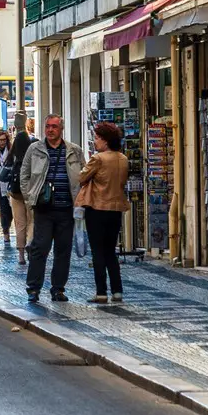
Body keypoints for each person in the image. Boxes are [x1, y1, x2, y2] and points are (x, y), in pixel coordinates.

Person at [17, 115, 87, 305]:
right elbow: (24, 175)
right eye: (47, 126)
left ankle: (58, 289)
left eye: (54, 126)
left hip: (67, 209)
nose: (50, 130)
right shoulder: (35, 149)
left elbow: (84, 177)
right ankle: (33, 288)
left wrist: (79, 201)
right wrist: (29, 196)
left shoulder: (74, 151)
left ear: (61, 128)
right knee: (40, 249)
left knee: (63, 251)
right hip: (44, 209)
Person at [78, 121, 130, 303]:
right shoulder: (123, 159)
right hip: (116, 209)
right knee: (110, 250)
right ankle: (117, 291)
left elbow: (82, 177)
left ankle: (101, 292)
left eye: (98, 138)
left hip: (97, 208)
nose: (95, 141)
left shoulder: (98, 158)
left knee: (98, 251)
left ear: (106, 141)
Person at [4, 124, 33, 252]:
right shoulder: (33, 155)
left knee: (19, 223)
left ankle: (21, 254)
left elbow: (1, 176)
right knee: (31, 221)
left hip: (15, 194)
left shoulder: (11, 156)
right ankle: (30, 246)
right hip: (31, 193)